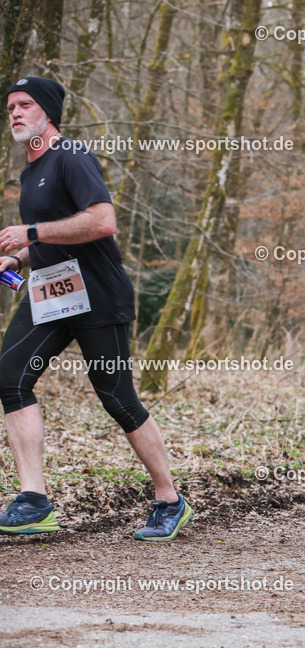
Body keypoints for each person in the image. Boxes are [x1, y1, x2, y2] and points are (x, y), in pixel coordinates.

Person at [0, 76, 192, 540]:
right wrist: (17, 257)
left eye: (25, 105)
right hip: (52, 294)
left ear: (47, 112)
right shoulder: (31, 169)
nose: (15, 114)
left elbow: (102, 221)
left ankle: (169, 499)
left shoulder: (73, 157)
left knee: (117, 398)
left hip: (98, 296)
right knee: (10, 376)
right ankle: (33, 500)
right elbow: (51, 231)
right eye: (10, 108)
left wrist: (30, 234)